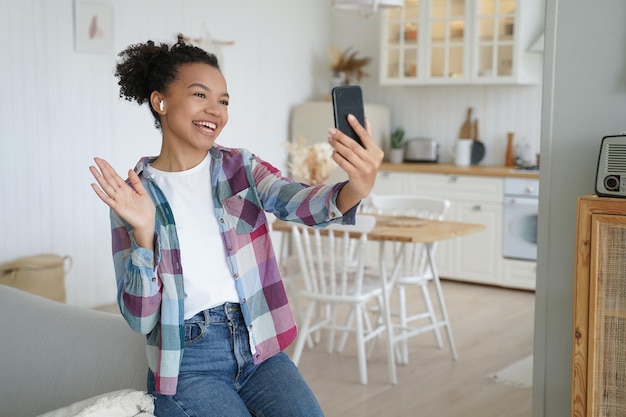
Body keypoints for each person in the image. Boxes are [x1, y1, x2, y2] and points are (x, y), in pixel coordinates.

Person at [88, 34, 383, 417]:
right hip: (189, 364)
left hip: (260, 349)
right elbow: (140, 317)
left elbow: (297, 201)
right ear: (160, 101)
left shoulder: (241, 167)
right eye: (200, 95)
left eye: (223, 101)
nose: (216, 110)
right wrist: (144, 236)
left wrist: (355, 188)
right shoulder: (133, 197)